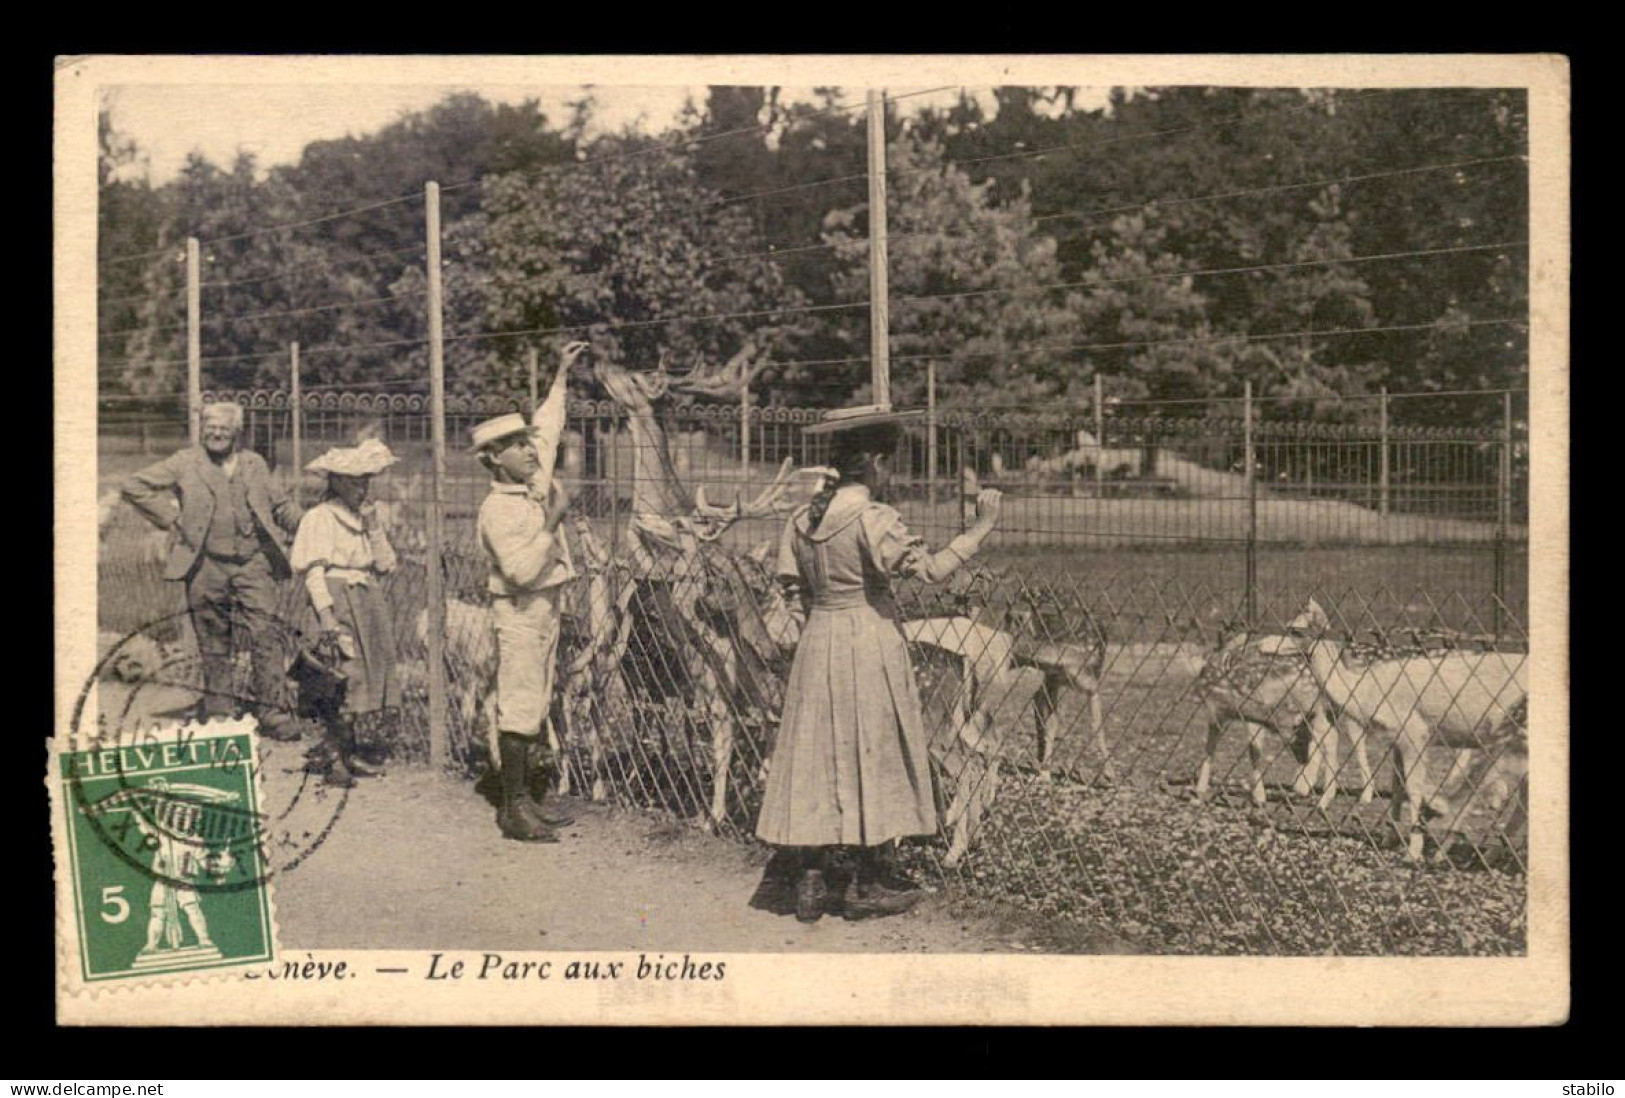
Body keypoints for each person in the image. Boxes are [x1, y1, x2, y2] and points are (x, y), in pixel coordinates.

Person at [755, 408, 1003, 923]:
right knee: (873, 746)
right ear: (873, 462)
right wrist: (981, 529)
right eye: (888, 461)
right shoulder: (874, 518)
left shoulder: (802, 519)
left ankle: (812, 875)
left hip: (817, 639)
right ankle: (866, 881)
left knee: (820, 750)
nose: (890, 472)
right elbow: (932, 572)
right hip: (867, 641)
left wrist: (816, 625)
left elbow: (792, 587)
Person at [121, 401, 304, 738]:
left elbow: (279, 505)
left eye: (223, 428)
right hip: (205, 565)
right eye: (210, 428)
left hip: (253, 563)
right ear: (202, 431)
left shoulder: (255, 464)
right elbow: (135, 486)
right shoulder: (185, 462)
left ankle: (273, 713)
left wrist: (309, 524)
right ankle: (222, 714)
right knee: (214, 639)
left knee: (266, 633)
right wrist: (171, 517)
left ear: (237, 432)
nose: (216, 434)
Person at [469, 341, 588, 842]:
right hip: (518, 608)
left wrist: (561, 375)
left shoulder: (530, 485)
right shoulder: (498, 509)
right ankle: (513, 807)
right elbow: (518, 569)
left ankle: (527, 800)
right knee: (518, 701)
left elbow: (549, 424)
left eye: (526, 443)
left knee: (536, 699)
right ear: (496, 460)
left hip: (545, 605)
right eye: (518, 446)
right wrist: (553, 524)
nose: (530, 450)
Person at [287, 438, 402, 787]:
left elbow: (387, 564)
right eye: (354, 481)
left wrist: (374, 527)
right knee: (340, 675)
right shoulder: (319, 518)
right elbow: (313, 573)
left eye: (365, 480)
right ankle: (333, 755)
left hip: (366, 601)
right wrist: (327, 618)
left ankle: (347, 752)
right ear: (335, 482)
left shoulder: (366, 518)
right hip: (337, 601)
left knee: (363, 678)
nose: (361, 488)